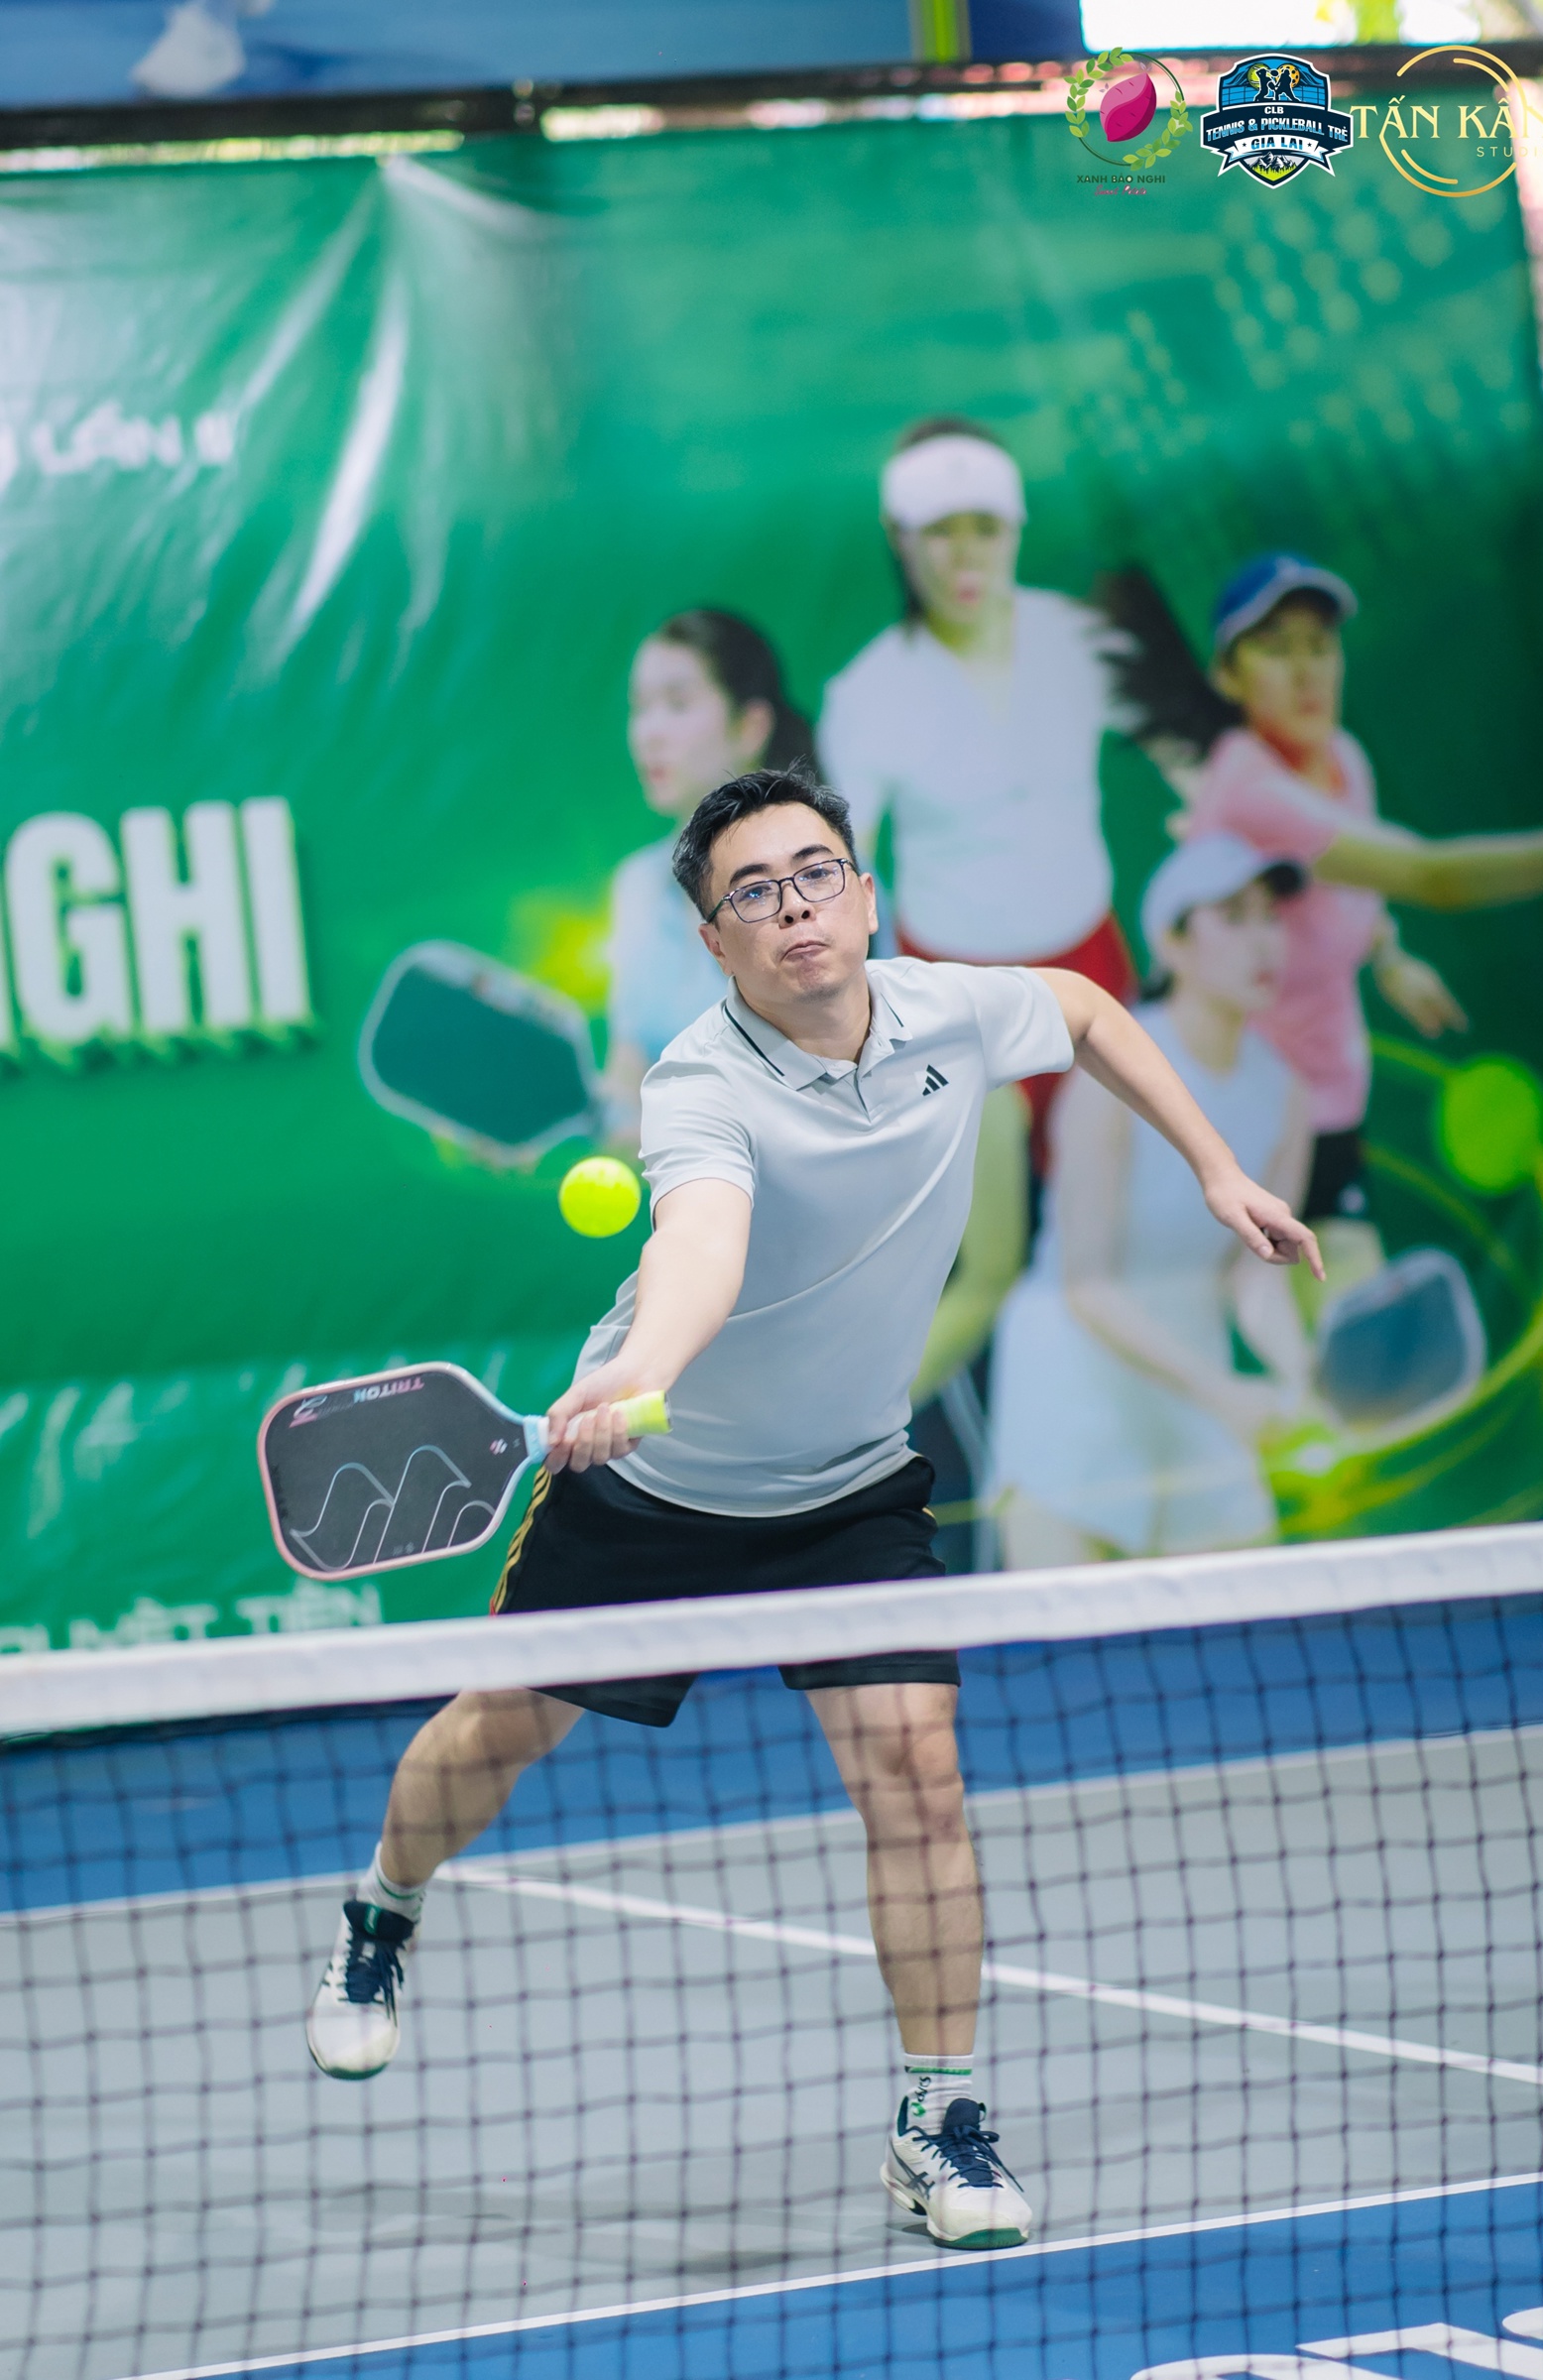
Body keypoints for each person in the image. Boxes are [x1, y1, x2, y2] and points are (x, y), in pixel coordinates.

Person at [305, 769, 1321, 2252]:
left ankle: (937, 2121)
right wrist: (641, 1374)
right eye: (753, 892)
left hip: (846, 1486)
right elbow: (701, 1247)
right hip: (653, 1484)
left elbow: (1087, 1012)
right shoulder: (697, 1085)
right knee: (498, 1731)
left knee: (917, 1774)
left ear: (863, 891)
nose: (793, 907)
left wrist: (1218, 1170)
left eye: (814, 872)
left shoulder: (948, 1013)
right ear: (714, 939)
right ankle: (382, 1913)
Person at [1112, 552, 1543, 1299]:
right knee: (1328, 1317)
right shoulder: (1249, 789)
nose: (1306, 670)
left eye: (1319, 645)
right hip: (1247, 1117)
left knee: (1338, 1324)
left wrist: (1388, 953)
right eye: (1276, 648)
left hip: (1326, 1100)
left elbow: (1356, 883)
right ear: (1229, 676)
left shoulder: (1343, 761)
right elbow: (1432, 876)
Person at [819, 417, 1135, 1170]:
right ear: (898, 537)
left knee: (1111, 1198)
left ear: (1016, 530)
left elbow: (1206, 767)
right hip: (954, 1000)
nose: (965, 555)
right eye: (939, 531)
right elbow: (840, 872)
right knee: (991, 1215)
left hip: (1095, 971)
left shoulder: (1085, 644)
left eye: (985, 529)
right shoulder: (865, 695)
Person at [990, 837, 1314, 1567]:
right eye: (1233, 917)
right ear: (1172, 945)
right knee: (1065, 1630)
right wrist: (1222, 1393)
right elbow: (1087, 1288)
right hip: (1070, 1370)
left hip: (1193, 1371)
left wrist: (1296, 1381)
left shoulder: (1284, 1092)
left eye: (1270, 916)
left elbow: (1254, 1275)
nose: (1263, 940)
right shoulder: (1111, 1074)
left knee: (1247, 1613)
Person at [605, 609, 816, 1139]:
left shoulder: (818, 883)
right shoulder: (636, 886)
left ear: (750, 726)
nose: (649, 733)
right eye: (639, 707)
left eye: (677, 704)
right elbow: (627, 1084)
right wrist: (546, 1132)